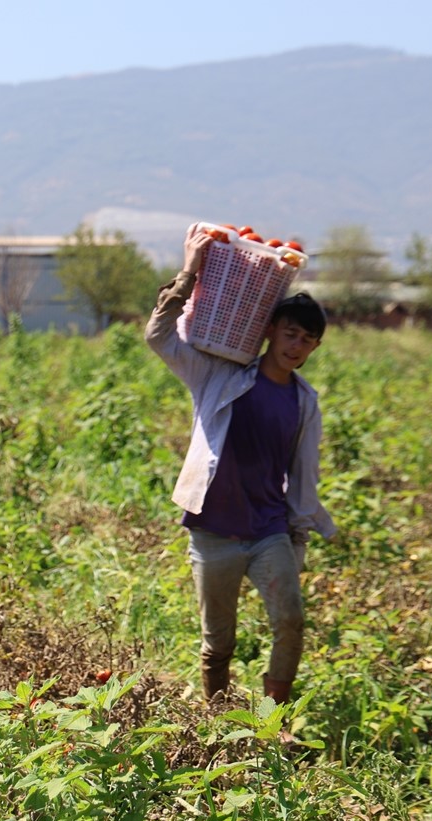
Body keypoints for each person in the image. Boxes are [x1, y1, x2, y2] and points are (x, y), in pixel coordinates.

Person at [145, 224, 336, 703]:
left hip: (268, 530)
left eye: (307, 339)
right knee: (219, 642)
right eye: (290, 333)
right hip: (213, 531)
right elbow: (159, 336)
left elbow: (304, 477)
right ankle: (218, 720)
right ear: (270, 331)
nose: (296, 345)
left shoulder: (304, 402)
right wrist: (190, 269)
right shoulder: (219, 375)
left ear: (314, 348)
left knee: (290, 621)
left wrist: (298, 539)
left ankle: (273, 721)